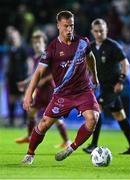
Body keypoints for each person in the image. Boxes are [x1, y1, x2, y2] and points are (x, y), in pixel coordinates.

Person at [22, 11, 100, 165]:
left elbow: (90, 58)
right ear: (58, 26)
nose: (69, 29)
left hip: (84, 91)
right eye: (66, 26)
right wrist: (28, 94)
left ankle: (71, 148)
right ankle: (30, 154)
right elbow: (38, 73)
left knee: (93, 119)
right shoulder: (52, 49)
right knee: (44, 124)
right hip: (62, 94)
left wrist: (95, 77)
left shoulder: (83, 43)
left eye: (71, 26)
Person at [83, 18, 130, 155]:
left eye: (101, 31)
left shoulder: (113, 46)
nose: (99, 34)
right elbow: (87, 65)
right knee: (119, 115)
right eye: (96, 31)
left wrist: (121, 81)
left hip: (113, 87)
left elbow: (125, 64)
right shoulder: (90, 47)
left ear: (106, 30)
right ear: (92, 32)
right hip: (102, 86)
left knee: (96, 109)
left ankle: (93, 145)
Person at [15, 30, 70, 148]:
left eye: (39, 42)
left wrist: (43, 81)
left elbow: (55, 72)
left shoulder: (49, 54)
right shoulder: (36, 57)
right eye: (34, 42)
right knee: (31, 112)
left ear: (44, 43)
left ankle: (67, 141)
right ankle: (29, 137)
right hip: (41, 93)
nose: (36, 44)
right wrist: (25, 83)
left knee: (55, 119)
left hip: (50, 91)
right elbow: (36, 74)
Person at [6, 29, 29, 127]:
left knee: (22, 99)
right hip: (11, 77)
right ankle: (11, 122)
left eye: (14, 36)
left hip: (21, 78)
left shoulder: (23, 48)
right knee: (11, 99)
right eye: (11, 37)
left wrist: (27, 76)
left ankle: (24, 122)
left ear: (18, 37)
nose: (13, 38)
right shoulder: (11, 48)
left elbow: (29, 61)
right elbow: (9, 63)